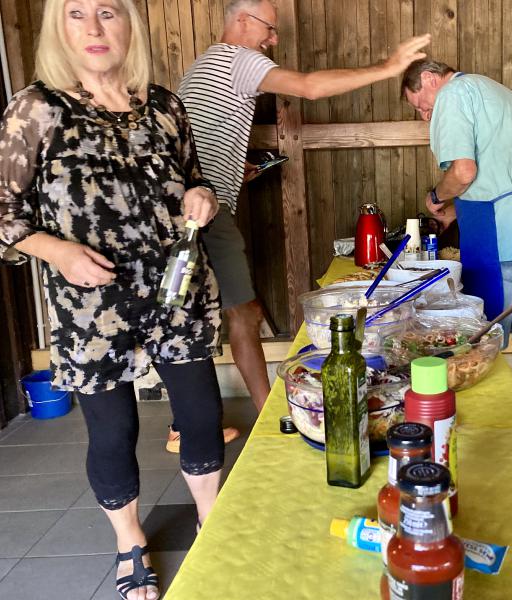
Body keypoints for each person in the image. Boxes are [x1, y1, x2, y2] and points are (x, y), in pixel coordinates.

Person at [0, 1, 227, 598]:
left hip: (176, 288)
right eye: (77, 13)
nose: (95, 28)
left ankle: (211, 520)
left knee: (201, 413)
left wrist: (201, 196)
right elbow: (6, 214)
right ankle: (130, 543)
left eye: (108, 11)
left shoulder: (165, 105)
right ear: (58, 27)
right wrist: (57, 251)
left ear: (130, 24)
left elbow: (192, 177)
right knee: (112, 429)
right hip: (91, 305)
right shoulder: (36, 108)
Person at [171, 0, 430, 451]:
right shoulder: (238, 58)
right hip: (206, 212)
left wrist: (234, 169)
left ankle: (184, 425)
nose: (273, 40)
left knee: (191, 314)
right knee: (242, 313)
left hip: (186, 208)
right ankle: (270, 416)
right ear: (242, 21)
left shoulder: (201, 66)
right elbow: (309, 87)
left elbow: (196, 141)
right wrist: (388, 67)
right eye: (269, 29)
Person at [400, 60, 512, 442]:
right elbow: (504, 174)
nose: (424, 115)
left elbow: (464, 172)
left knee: (481, 343)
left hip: (504, 234)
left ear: (429, 79)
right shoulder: (498, 92)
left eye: (420, 105)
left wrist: (437, 197)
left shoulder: (452, 94)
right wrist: (456, 211)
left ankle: (485, 442)